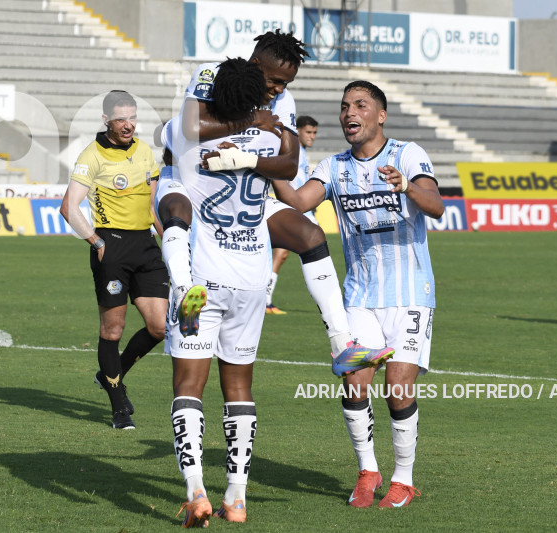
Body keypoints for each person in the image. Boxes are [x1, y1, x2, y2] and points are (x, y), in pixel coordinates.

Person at [155, 29, 393, 377]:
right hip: (190, 181)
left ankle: (343, 344)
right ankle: (183, 293)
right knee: (178, 210)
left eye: (287, 82)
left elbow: (289, 163)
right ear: (255, 65)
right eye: (275, 80)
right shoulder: (210, 74)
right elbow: (191, 127)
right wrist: (253, 120)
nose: (279, 89)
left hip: (243, 194)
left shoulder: (284, 102)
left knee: (309, 234)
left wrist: (248, 160)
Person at [272, 81, 444, 509]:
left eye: (360, 105)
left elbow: (436, 206)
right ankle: (368, 471)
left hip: (410, 294)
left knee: (398, 386)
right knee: (353, 382)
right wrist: (266, 166)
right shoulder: (333, 167)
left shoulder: (407, 154)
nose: (350, 112)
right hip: (359, 295)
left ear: (380, 115)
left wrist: (406, 186)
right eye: (345, 106)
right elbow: (296, 201)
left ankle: (403, 480)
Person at [162, 57, 280, 526]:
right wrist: (257, 120)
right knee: (240, 389)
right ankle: (237, 497)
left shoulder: (185, 134)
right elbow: (287, 162)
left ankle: (196, 492)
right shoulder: (271, 138)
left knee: (189, 387)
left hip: (204, 276)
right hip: (253, 278)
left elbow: (170, 135)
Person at [59, 90, 168, 430]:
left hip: (146, 247)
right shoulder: (92, 156)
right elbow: (69, 206)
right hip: (113, 247)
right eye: (122, 119)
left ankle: (110, 374)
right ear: (106, 119)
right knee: (113, 328)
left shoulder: (146, 152)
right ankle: (119, 406)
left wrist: (170, 238)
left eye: (133, 118)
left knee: (160, 327)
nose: (129, 125)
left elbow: (151, 207)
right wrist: (95, 240)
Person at [266, 115, 319, 314]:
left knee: (282, 253)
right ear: (297, 131)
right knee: (314, 250)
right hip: (295, 208)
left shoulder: (302, 152)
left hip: (302, 208)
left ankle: (265, 299)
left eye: (314, 133)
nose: (312, 136)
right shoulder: (294, 150)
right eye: (308, 132)